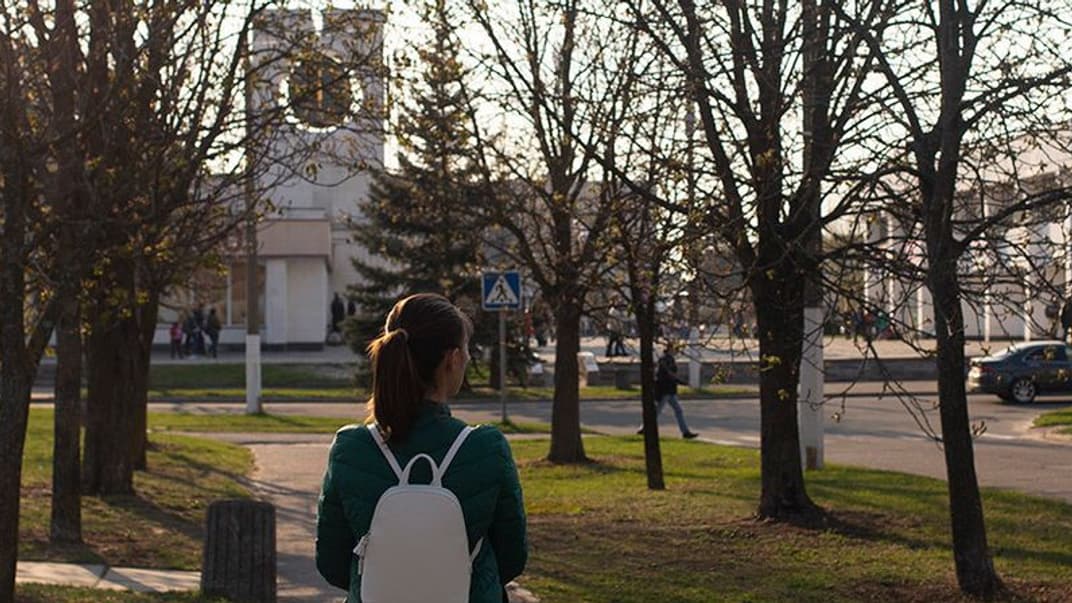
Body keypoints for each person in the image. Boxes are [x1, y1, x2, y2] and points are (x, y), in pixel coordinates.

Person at [316, 293, 527, 602]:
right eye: (466, 352)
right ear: (453, 359)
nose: (467, 360)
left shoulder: (351, 449)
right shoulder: (486, 448)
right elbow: (512, 556)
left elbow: (331, 562)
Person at [638, 345, 698, 439]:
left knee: (677, 410)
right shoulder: (666, 360)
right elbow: (670, 375)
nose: (676, 352)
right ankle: (645, 428)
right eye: (675, 349)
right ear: (670, 349)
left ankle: (685, 431)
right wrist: (682, 382)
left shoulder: (666, 359)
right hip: (665, 390)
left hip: (669, 390)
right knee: (658, 411)